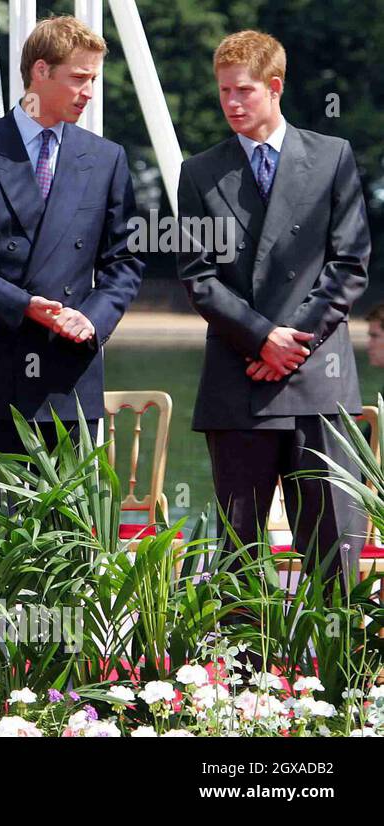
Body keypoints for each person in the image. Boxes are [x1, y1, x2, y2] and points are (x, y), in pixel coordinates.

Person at [0, 16, 143, 530]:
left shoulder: (106, 159)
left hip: (70, 376)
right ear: (40, 71)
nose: (90, 91)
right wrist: (21, 305)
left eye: (94, 79)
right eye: (79, 77)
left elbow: (125, 261)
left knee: (69, 547)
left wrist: (92, 319)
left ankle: (65, 619)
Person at [178, 30, 369, 586]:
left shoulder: (332, 157)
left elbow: (349, 262)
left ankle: (339, 674)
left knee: (334, 546)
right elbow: (198, 277)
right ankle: (236, 674)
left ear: (275, 87)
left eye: (243, 91)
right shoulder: (199, 172)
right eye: (223, 93)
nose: (232, 104)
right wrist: (262, 339)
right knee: (237, 552)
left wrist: (292, 342)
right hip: (239, 382)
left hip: (318, 382)